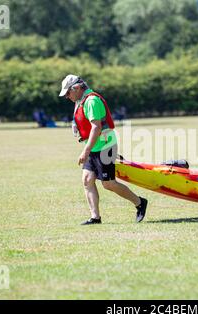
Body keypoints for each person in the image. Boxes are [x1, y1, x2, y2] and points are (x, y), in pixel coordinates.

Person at [59, 75, 148, 225]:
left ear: (77, 88)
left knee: (109, 184)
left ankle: (140, 203)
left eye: (68, 93)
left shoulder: (92, 101)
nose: (67, 97)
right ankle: (95, 217)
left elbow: (96, 127)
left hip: (105, 146)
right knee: (87, 180)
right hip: (93, 146)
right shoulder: (81, 100)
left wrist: (85, 151)